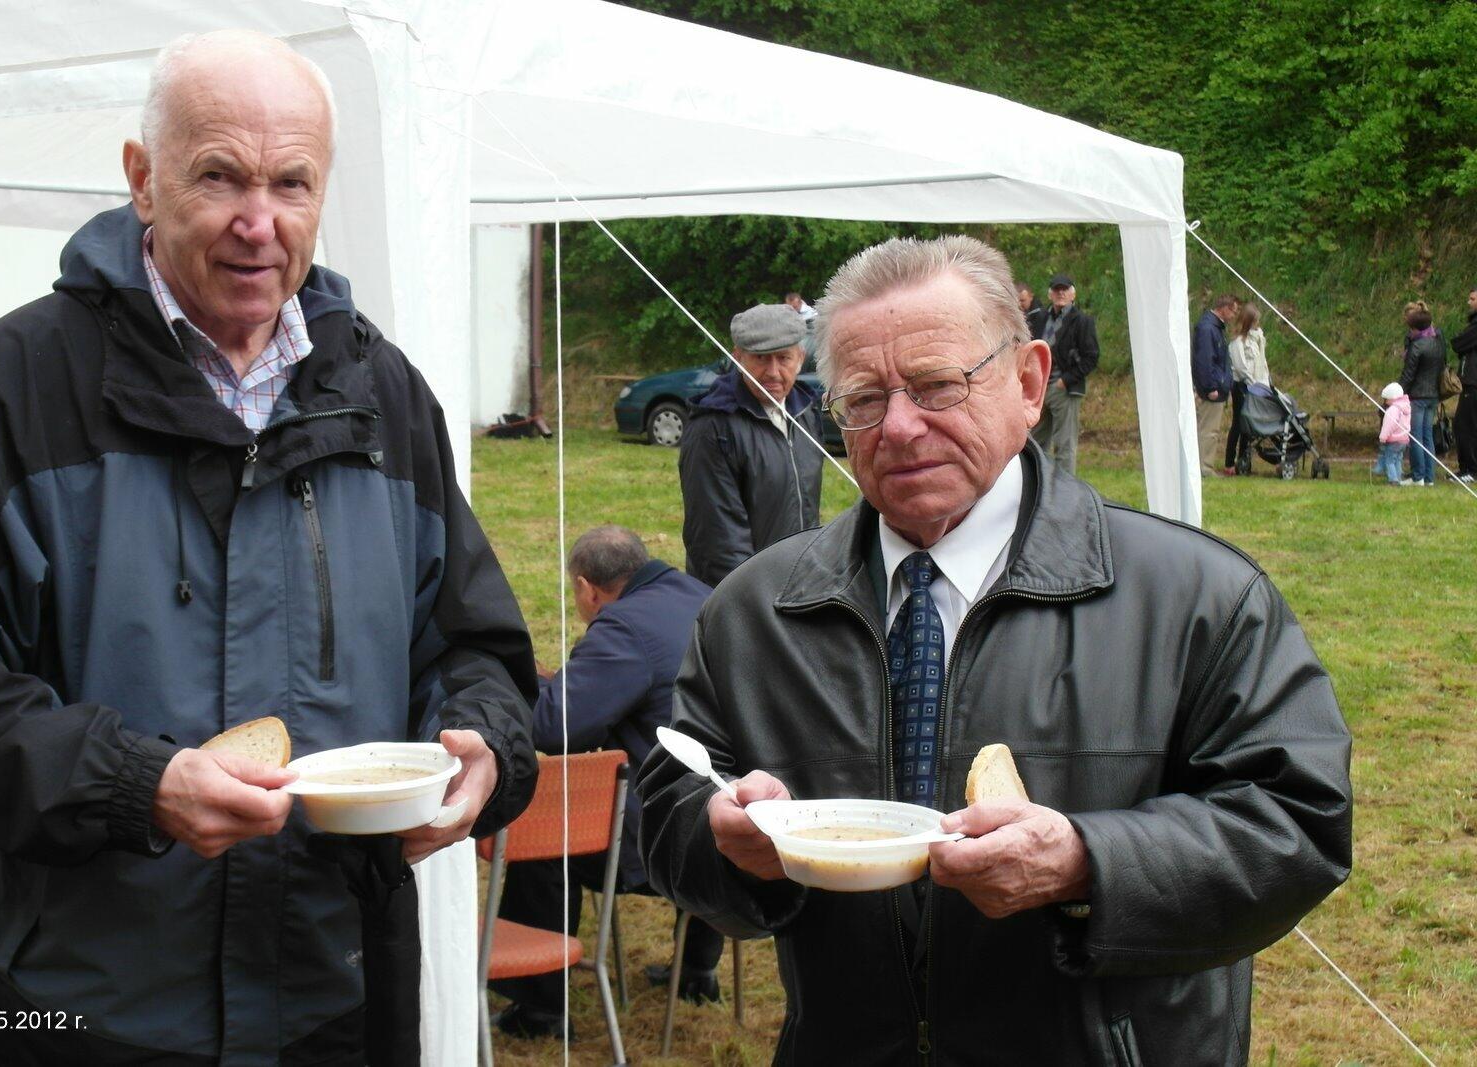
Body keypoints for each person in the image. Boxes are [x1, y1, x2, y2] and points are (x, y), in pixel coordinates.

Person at [0, 31, 539, 1064]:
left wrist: (485, 744)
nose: (257, 221)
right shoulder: (12, 386)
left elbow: (473, 642)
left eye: (291, 182)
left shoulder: (383, 392)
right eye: (220, 175)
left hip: (336, 999)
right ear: (143, 179)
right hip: (79, 1013)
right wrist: (130, 782)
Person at [638, 235, 1352, 1065]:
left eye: (937, 386)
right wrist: (726, 841)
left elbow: (1297, 822)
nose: (899, 426)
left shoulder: (1196, 596)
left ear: (1029, 382)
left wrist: (1087, 861)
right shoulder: (755, 611)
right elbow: (671, 809)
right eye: (863, 399)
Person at [489, 526, 720, 1037]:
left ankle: (541, 1011)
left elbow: (555, 729)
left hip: (668, 836)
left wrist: (526, 682)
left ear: (586, 588)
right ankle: (697, 970)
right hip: (729, 815)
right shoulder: (701, 595)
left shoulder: (624, 628)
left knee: (545, 842)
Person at [679, 303, 824, 586]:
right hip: (743, 594)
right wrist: (755, 602)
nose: (773, 372)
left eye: (784, 358)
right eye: (760, 358)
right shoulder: (713, 426)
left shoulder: (805, 412)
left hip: (797, 585)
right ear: (738, 358)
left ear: (800, 357)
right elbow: (718, 543)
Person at [1026, 273, 1100, 475]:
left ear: (1072, 294)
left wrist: (1066, 381)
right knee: (1034, 442)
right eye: (1057, 290)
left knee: (1064, 444)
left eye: (1065, 290)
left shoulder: (1082, 321)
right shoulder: (1040, 318)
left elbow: (1091, 357)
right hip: (1040, 388)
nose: (1061, 294)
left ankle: (1065, 488)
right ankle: (1038, 483)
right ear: (1050, 294)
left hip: (1064, 390)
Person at [1398, 301, 1446, 486]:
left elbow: (1408, 375)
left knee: (1415, 437)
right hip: (1433, 396)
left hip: (1418, 396)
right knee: (1427, 437)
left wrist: (1398, 393)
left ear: (1415, 328)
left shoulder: (1416, 346)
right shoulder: (1437, 343)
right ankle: (1429, 477)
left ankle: (1418, 476)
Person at [1192, 293, 1239, 475]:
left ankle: (1203, 466)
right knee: (1208, 430)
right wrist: (1210, 387)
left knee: (1210, 429)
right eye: (1233, 311)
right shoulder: (1208, 329)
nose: (1234, 316)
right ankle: (1204, 467)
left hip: (1217, 386)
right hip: (1211, 389)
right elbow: (1204, 361)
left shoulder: (1215, 328)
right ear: (1224, 309)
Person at [1224, 302, 1270, 474]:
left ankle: (1243, 460)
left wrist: (1264, 383)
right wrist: (1253, 384)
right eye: (1255, 321)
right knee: (1238, 423)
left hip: (1255, 386)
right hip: (1242, 386)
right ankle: (1229, 462)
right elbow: (1241, 367)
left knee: (1248, 425)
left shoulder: (1255, 340)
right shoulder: (1237, 343)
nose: (1257, 325)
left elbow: (1261, 363)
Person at [1447, 286, 1477, 482]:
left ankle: (1470, 469)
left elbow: (1458, 343)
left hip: (1473, 383)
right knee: (1464, 424)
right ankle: (1467, 467)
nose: (1469, 302)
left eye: (1473, 299)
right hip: (1470, 382)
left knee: (1465, 425)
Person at [1375, 382, 1412, 485]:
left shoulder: (1393, 410)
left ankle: (1393, 480)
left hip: (1393, 440)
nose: (1385, 402)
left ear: (1392, 398)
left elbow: (1388, 426)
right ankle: (1398, 477)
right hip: (1404, 440)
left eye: (1386, 399)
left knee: (1390, 460)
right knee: (1398, 460)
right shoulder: (1406, 408)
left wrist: (1383, 437)